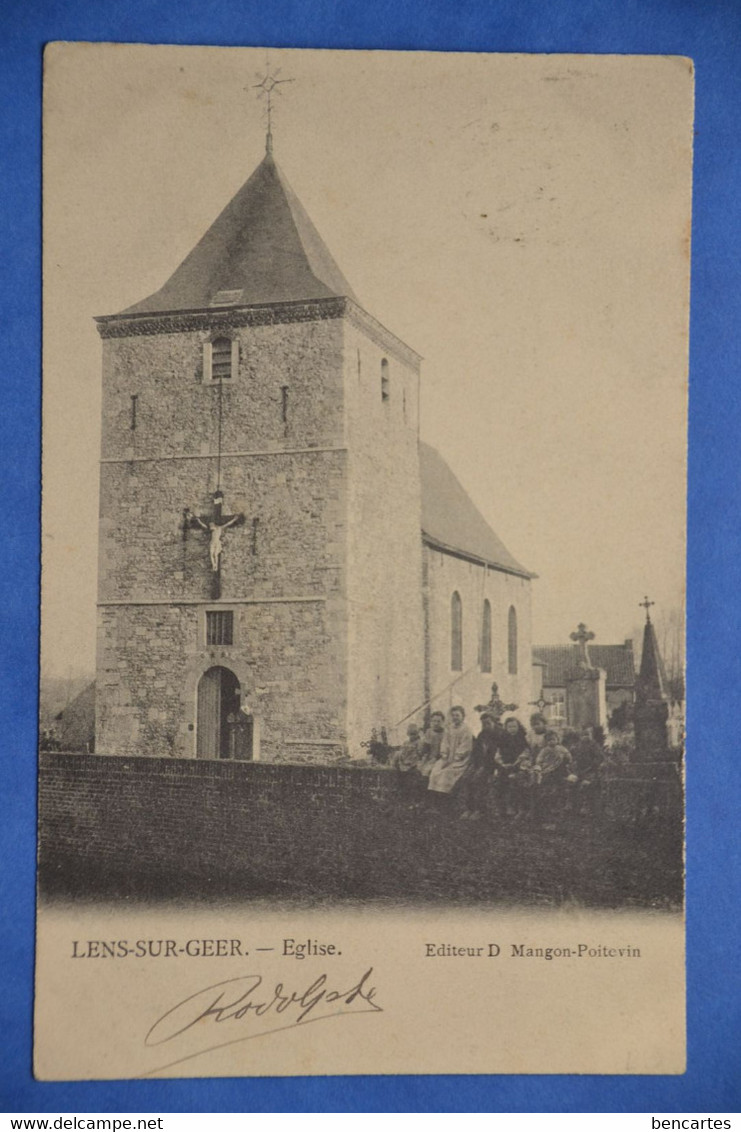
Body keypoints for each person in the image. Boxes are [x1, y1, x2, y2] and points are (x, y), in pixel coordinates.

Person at [427, 706, 473, 811]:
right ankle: (434, 803)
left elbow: (466, 746)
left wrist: (457, 756)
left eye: (457, 715)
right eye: (453, 715)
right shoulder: (449, 728)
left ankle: (445, 804)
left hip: (460, 759)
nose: (455, 717)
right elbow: (445, 742)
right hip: (448, 757)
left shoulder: (466, 730)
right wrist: (444, 754)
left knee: (446, 774)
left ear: (463, 716)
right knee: (435, 771)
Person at [460, 712, 500, 820]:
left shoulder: (499, 735)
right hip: (480, 764)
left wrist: (483, 767)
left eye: (488, 723)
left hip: (492, 766)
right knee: (466, 778)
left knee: (478, 779)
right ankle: (469, 808)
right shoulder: (482, 735)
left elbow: (495, 755)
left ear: (494, 722)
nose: (485, 726)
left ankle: (480, 810)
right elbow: (477, 752)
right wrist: (475, 765)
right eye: (483, 724)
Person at [534, 730, 575, 822]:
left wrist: (568, 758)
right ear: (546, 742)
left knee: (562, 783)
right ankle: (550, 804)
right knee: (548, 783)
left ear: (557, 740)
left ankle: (563, 803)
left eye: (553, 739)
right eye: (549, 740)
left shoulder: (561, 748)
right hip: (549, 769)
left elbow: (568, 754)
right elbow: (539, 758)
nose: (551, 742)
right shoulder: (545, 750)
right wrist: (540, 763)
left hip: (560, 769)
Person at [493, 716, 529, 816]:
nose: (512, 729)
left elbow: (525, 752)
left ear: (518, 726)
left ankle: (514, 806)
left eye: (514, 726)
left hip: (518, 765)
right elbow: (498, 753)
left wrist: (516, 763)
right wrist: (502, 764)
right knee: (499, 781)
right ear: (506, 728)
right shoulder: (503, 738)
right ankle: (501, 807)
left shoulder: (522, 737)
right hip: (505, 765)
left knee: (514, 781)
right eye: (509, 727)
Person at [392, 723, 427, 804]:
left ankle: (412, 799)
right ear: (408, 734)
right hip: (404, 762)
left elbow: (419, 754)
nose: (412, 736)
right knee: (400, 778)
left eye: (414, 734)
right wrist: (401, 760)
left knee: (411, 780)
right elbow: (402, 753)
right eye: (410, 734)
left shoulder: (419, 742)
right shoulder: (406, 742)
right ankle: (401, 795)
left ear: (417, 734)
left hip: (413, 763)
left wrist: (412, 762)